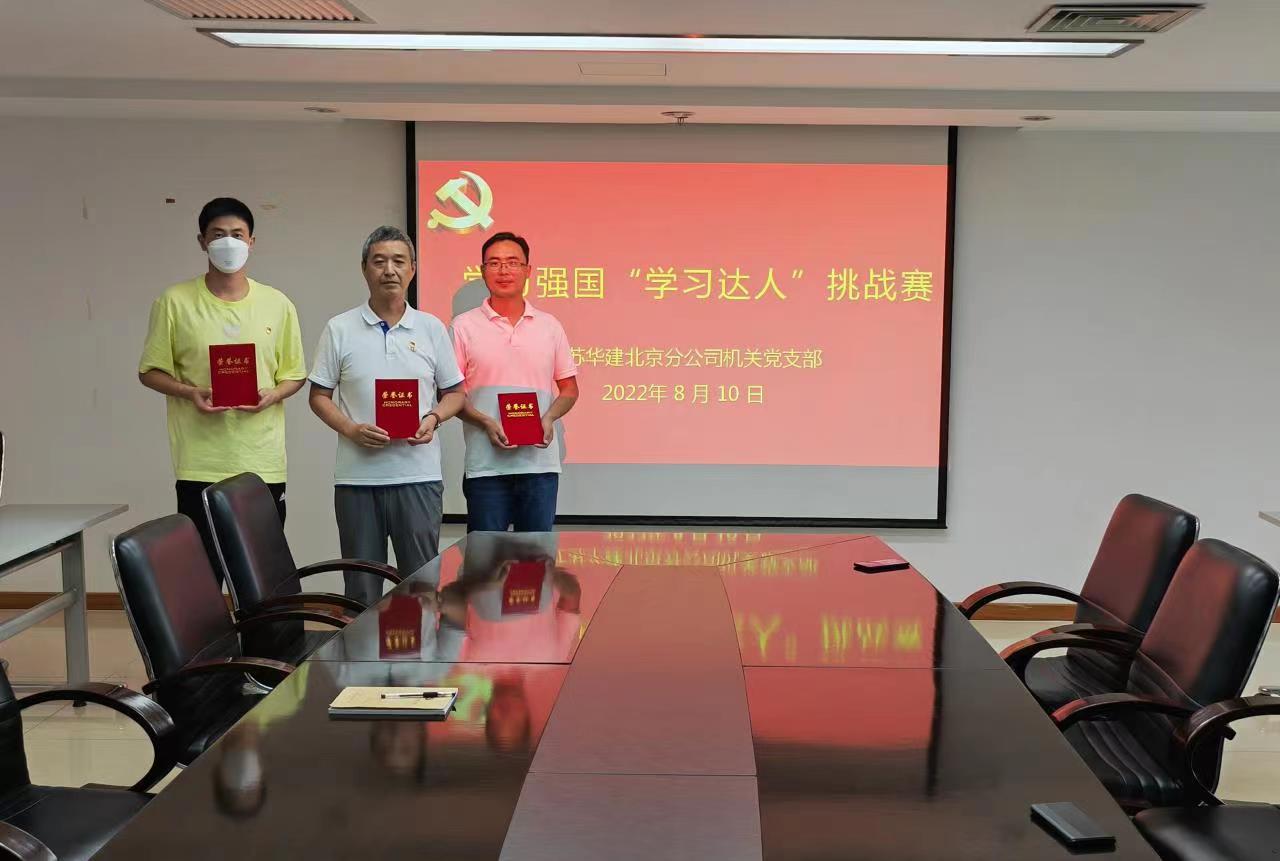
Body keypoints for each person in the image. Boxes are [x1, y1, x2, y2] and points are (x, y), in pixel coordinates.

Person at [138, 197, 307, 577]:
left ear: (252, 242)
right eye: (217, 235)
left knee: (260, 577)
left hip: (261, 463)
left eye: (237, 234)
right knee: (203, 575)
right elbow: (150, 371)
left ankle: (259, 624)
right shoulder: (174, 302)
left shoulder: (277, 304)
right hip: (200, 462)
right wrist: (189, 392)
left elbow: (294, 374)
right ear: (202, 241)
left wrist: (274, 395)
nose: (228, 243)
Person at [309, 226, 465, 605]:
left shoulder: (431, 328)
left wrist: (433, 419)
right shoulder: (339, 328)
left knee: (420, 585)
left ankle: (421, 647)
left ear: (413, 269)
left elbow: (456, 394)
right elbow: (318, 396)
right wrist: (350, 429)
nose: (389, 270)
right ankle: (363, 648)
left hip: (418, 477)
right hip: (357, 481)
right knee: (361, 587)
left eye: (399, 261)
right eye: (379, 262)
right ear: (364, 268)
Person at [452, 232, 579, 532]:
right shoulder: (463, 326)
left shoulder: (549, 326)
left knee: (534, 556)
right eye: (494, 263)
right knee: (485, 556)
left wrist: (549, 417)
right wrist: (485, 421)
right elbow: (451, 395)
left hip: (539, 467)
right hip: (486, 468)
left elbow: (569, 389)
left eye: (512, 262)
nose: (504, 270)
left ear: (527, 270)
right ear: (482, 270)